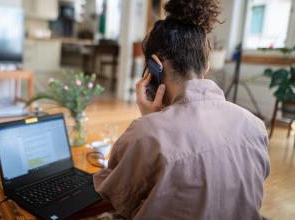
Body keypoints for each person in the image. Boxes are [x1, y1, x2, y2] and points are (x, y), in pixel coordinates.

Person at [93, 0, 270, 219]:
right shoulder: (255, 126)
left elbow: (113, 193)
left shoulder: (146, 134)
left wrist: (151, 122)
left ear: (155, 65)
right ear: (206, 65)